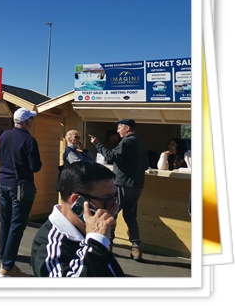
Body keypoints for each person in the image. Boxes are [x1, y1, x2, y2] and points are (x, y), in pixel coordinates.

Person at [30, 161, 124, 277]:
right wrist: (96, 244)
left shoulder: (87, 229)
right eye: (106, 199)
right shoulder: (48, 245)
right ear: (77, 201)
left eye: (115, 197)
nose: (114, 206)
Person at [89, 118, 148, 261]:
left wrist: (97, 143)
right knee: (130, 216)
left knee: (111, 214)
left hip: (122, 184)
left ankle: (107, 244)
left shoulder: (126, 142)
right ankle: (136, 248)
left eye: (119, 127)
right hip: (137, 185)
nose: (117, 130)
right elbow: (146, 165)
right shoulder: (140, 143)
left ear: (127, 128)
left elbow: (110, 156)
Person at [0, 108, 42, 277]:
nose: (33, 122)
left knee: (5, 223)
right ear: (26, 122)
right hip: (20, 186)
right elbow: (35, 167)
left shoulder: (5, 135)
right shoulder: (30, 140)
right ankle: (7, 267)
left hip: (3, 183)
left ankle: (4, 261)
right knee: (16, 226)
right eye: (31, 119)